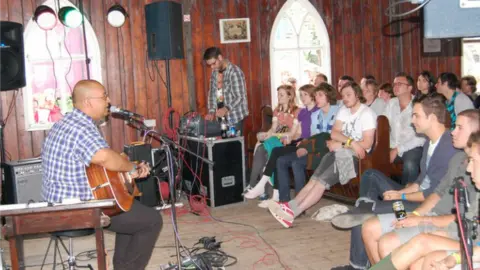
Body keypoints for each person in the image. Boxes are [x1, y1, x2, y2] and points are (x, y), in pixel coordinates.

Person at [41, 80, 162, 270]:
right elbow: (104, 157)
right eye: (104, 96)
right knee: (152, 220)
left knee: (126, 205)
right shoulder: (80, 127)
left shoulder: (68, 122)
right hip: (76, 208)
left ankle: (123, 267)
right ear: (88, 102)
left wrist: (128, 173)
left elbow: (99, 170)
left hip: (61, 203)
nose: (109, 100)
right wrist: (131, 167)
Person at [330, 94, 459, 270]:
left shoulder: (448, 148)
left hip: (424, 205)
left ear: (433, 118)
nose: (412, 120)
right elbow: (421, 180)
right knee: (370, 175)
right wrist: (399, 193)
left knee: (363, 217)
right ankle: (366, 206)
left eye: (416, 116)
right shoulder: (431, 142)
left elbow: (432, 194)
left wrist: (403, 195)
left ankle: (358, 264)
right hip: (412, 196)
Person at [367, 110, 480, 270]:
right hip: (432, 214)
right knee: (369, 224)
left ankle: (369, 206)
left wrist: (408, 202)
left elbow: (458, 218)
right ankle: (367, 206)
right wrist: (415, 212)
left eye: (459, 127)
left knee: (392, 237)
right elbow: (430, 188)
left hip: (439, 217)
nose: (453, 131)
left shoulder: (462, 161)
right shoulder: (451, 156)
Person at [267, 81, 377, 228]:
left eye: (349, 95)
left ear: (357, 95)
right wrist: (351, 142)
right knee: (314, 179)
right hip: (340, 150)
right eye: (343, 95)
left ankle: (292, 214)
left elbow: (366, 145)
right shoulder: (344, 110)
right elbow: (334, 133)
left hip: (353, 158)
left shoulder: (367, 113)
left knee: (321, 183)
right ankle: (289, 207)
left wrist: (344, 144)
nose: (345, 98)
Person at [203, 47, 249, 133]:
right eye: (210, 65)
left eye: (213, 63)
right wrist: (212, 112)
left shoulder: (234, 72)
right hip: (221, 119)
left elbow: (239, 97)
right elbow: (212, 93)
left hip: (235, 118)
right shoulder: (214, 72)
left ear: (220, 57)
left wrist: (225, 109)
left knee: (234, 146)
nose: (212, 67)